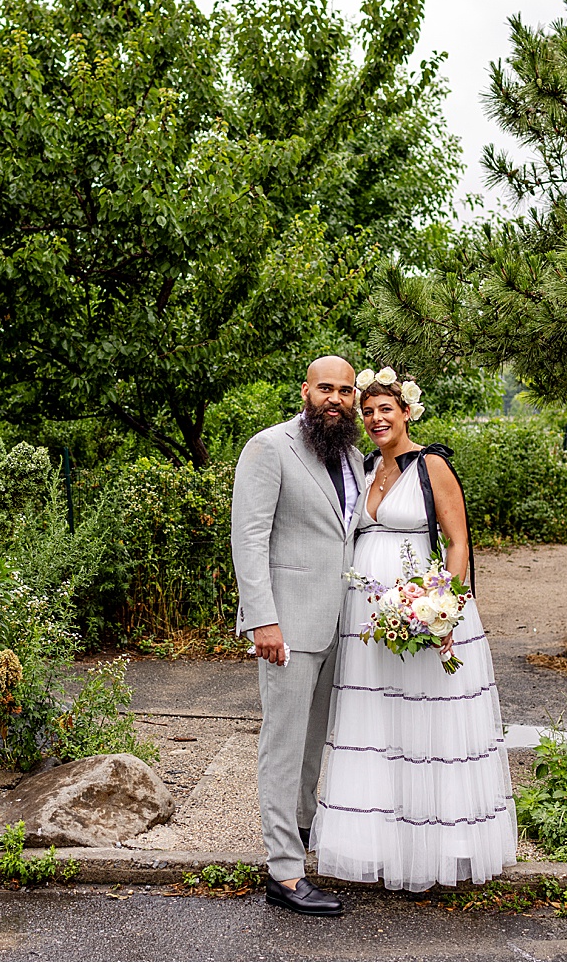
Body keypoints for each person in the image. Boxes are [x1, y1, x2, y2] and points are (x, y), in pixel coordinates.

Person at [309, 369, 518, 892]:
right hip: (369, 619)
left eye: (387, 410)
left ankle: (438, 846)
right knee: (376, 723)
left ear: (406, 413)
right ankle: (378, 843)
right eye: (369, 411)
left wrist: (443, 608)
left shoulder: (432, 465)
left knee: (427, 726)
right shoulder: (361, 467)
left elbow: (458, 541)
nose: (377, 419)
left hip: (423, 610)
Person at [230, 355, 366, 916]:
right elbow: (249, 538)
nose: (335, 399)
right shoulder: (269, 448)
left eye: (347, 391)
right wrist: (263, 619)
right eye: (326, 388)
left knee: (316, 743)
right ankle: (283, 874)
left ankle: (304, 838)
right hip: (287, 625)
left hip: (342, 625)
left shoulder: (354, 457)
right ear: (305, 391)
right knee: (283, 746)